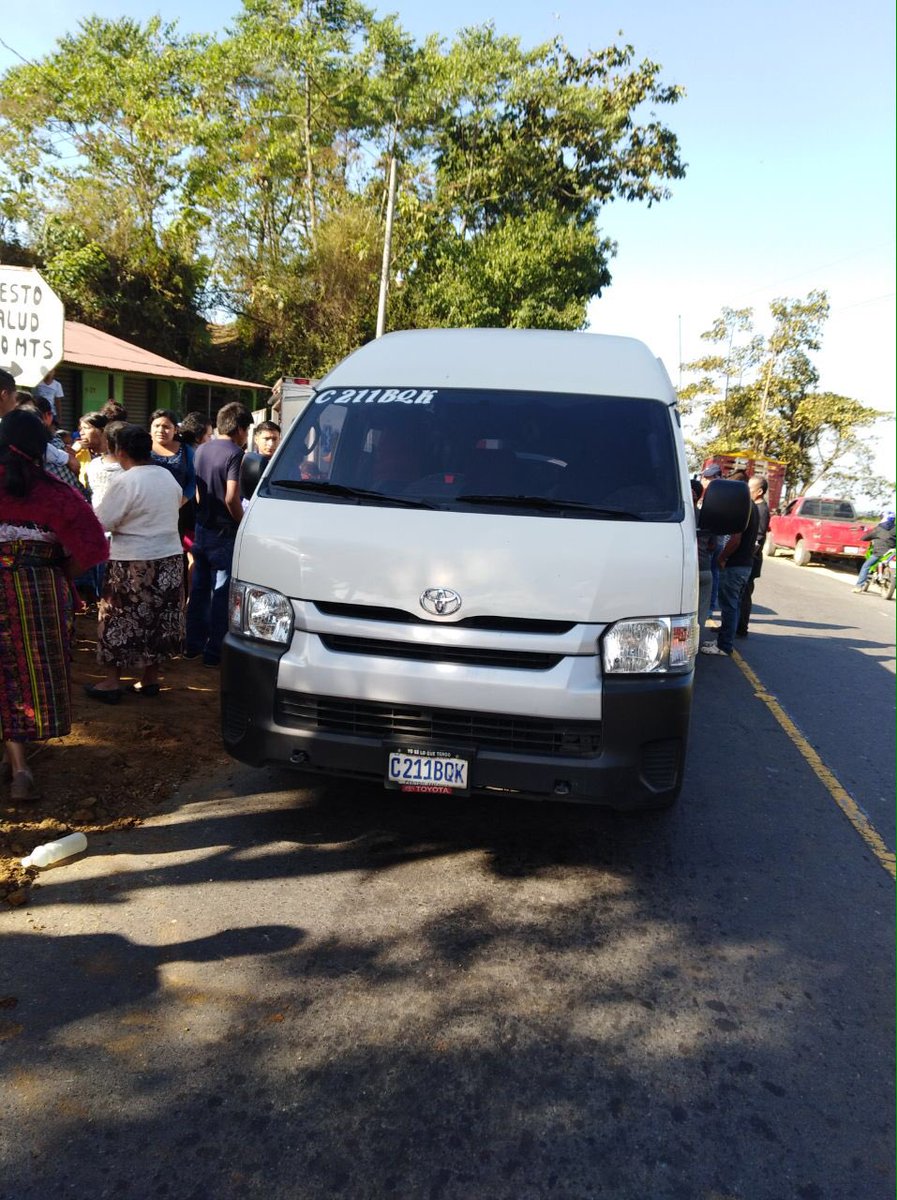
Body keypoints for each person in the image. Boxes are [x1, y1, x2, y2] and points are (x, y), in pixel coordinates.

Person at [0, 408, 108, 800]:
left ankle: (17, 763)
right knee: (26, 677)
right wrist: (59, 571)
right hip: (41, 593)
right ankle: (20, 769)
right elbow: (91, 550)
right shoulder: (58, 491)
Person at [89, 424, 185, 702]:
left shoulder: (125, 481)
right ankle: (150, 679)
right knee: (158, 619)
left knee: (118, 619)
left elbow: (103, 521)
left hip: (132, 562)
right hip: (168, 558)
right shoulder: (166, 477)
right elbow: (177, 502)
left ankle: (111, 682)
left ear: (120, 452)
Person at [185, 401, 252, 666]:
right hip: (224, 531)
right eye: (246, 430)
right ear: (239, 429)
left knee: (199, 590)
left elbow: (199, 492)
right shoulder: (235, 453)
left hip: (203, 527)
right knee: (222, 592)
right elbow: (232, 496)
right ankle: (214, 654)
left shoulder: (202, 449)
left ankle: (193, 646)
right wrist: (243, 523)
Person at [700, 486, 759, 657]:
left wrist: (722, 557)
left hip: (735, 564)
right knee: (733, 605)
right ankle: (723, 640)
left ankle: (724, 645)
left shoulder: (742, 508)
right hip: (745, 564)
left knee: (729, 606)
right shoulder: (753, 507)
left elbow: (735, 539)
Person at [737, 476, 771, 637]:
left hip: (751, 560)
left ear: (759, 491)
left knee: (744, 595)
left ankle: (741, 628)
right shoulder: (752, 506)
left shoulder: (761, 509)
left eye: (750, 489)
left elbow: (759, 536)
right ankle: (733, 626)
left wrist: (747, 555)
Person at [149, 408, 195, 504]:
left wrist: (182, 500)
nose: (160, 430)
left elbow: (193, 480)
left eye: (166, 427)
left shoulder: (186, 450)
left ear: (175, 430)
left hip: (179, 508)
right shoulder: (143, 448)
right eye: (156, 426)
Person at [853, 511, 896, 593]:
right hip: (892, 553)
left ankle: (859, 586)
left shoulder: (878, 529)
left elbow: (865, 537)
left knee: (866, 566)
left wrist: (864, 537)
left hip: (879, 553)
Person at [701, 465, 724, 613]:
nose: (705, 480)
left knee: (711, 575)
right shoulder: (708, 494)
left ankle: (708, 609)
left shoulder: (718, 495)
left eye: (708, 478)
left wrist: (713, 540)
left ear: (717, 478)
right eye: (705, 477)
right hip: (709, 541)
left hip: (713, 542)